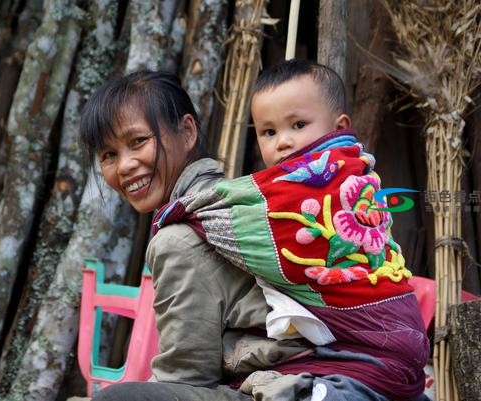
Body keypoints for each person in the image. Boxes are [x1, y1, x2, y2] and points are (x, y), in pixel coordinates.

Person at [152, 59, 431, 401]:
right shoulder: (349, 176)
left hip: (373, 349)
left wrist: (184, 209)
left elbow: (241, 216)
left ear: (338, 127)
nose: (283, 141)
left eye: (298, 124)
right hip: (391, 350)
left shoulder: (331, 180)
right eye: (269, 132)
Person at [80, 70, 310, 401]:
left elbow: (186, 379)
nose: (124, 166)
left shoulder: (179, 239)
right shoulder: (225, 202)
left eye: (138, 142)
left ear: (187, 132)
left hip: (293, 387)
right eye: (109, 155)